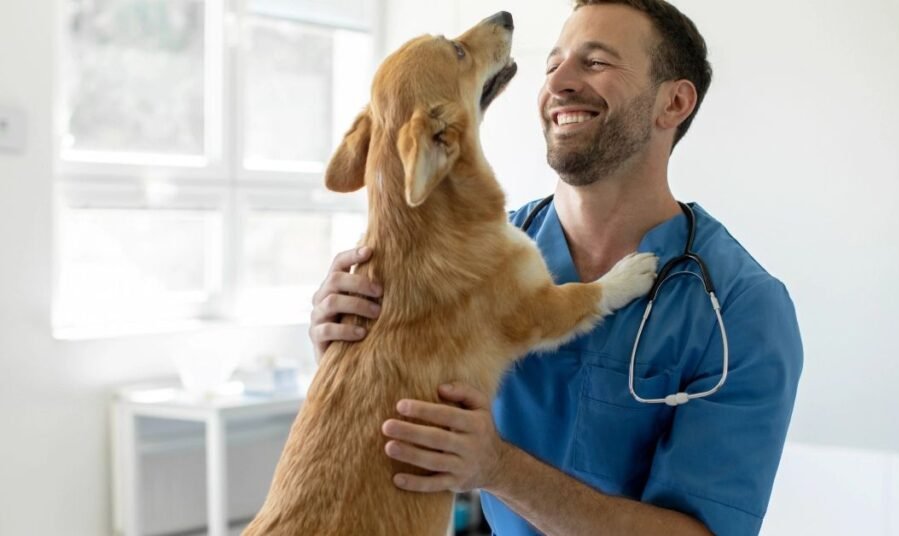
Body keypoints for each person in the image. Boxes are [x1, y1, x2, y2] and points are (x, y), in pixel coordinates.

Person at [308, 1, 803, 534]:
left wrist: (498, 468)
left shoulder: (741, 309)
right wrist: (349, 349)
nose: (558, 83)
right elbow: (401, 423)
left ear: (674, 103)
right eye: (552, 65)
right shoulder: (464, 260)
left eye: (595, 63)